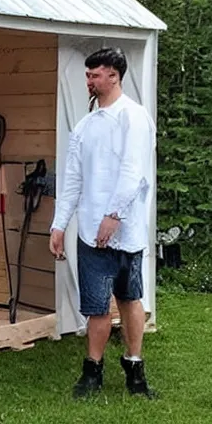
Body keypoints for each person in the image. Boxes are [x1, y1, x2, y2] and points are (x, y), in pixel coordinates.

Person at [49, 47, 156, 400]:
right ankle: (91, 373)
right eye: (87, 75)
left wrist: (115, 215)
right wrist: (59, 225)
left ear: (114, 76)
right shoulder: (85, 126)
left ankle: (135, 369)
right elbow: (72, 180)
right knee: (96, 306)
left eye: (95, 75)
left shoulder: (134, 117)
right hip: (91, 232)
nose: (89, 81)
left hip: (128, 231)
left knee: (130, 298)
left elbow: (133, 171)